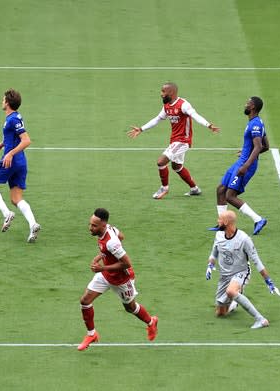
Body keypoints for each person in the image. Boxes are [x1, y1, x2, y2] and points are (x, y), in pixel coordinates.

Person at [78, 208, 158, 351]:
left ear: (103, 225)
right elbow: (121, 236)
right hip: (106, 275)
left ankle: (151, 321)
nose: (90, 228)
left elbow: (127, 263)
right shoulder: (109, 229)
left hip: (122, 279)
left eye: (94, 226)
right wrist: (100, 257)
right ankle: (92, 334)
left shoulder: (111, 243)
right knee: (85, 301)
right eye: (90, 224)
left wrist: (102, 268)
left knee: (130, 307)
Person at [127, 82, 220, 199]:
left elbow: (195, 115)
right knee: (176, 167)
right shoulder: (167, 106)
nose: (161, 94)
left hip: (183, 141)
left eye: (163, 91)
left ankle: (164, 188)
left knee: (161, 162)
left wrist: (208, 125)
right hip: (174, 140)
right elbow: (157, 119)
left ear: (171, 92)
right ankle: (194, 189)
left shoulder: (183, 105)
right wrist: (141, 129)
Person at [205, 210, 280, 329]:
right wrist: (210, 265)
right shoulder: (219, 234)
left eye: (219, 219)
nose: (217, 221)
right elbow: (214, 252)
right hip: (224, 275)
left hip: (240, 272)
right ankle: (235, 302)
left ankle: (261, 319)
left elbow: (257, 261)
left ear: (226, 222)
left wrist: (269, 281)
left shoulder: (244, 239)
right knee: (220, 313)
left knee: (231, 291)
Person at [0, 88, 41, 243]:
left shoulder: (12, 119)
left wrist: (9, 153)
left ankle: (6, 213)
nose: (1, 102)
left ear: (7, 103)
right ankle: (33, 224)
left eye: (3, 100)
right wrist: (2, 144)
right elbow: (13, 137)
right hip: (21, 162)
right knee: (16, 198)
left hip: (11, 161)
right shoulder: (14, 117)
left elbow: (26, 140)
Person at [214, 96, 269, 235]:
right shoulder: (255, 122)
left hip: (245, 165)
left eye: (248, 103)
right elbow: (266, 146)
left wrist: (246, 166)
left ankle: (258, 219)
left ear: (253, 107)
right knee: (220, 189)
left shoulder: (255, 124)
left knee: (230, 196)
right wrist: (245, 151)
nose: (245, 105)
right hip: (241, 162)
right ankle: (222, 224)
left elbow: (258, 147)